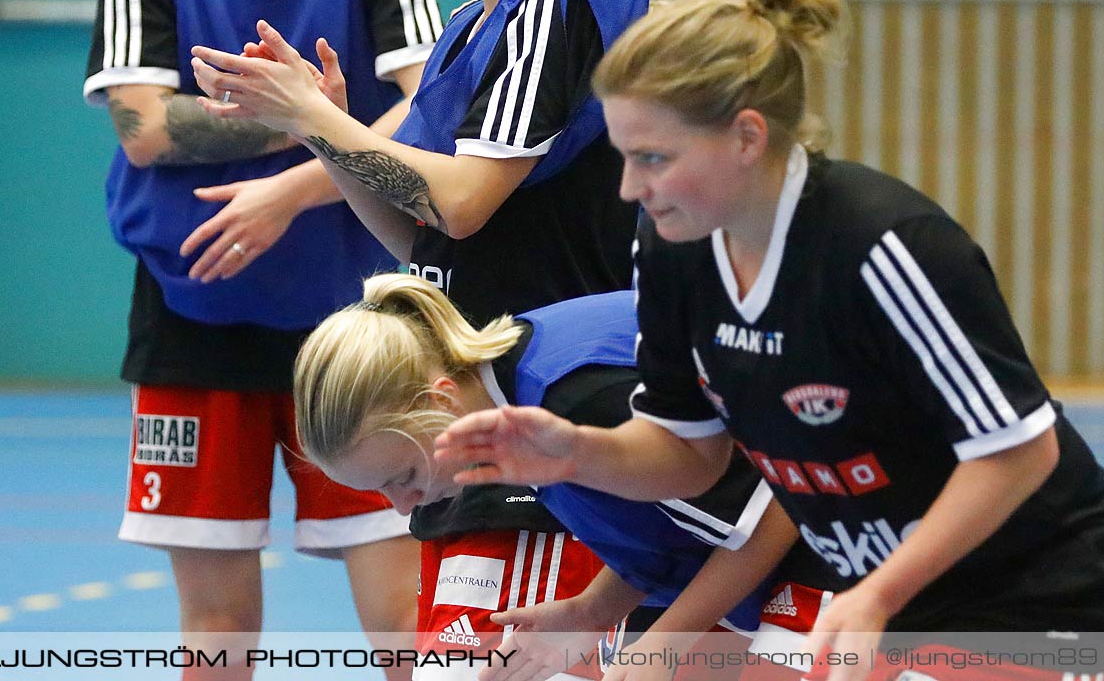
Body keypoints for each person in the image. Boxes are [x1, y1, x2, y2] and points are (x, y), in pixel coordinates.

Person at [430, 0, 1104, 681]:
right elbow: (687, 455)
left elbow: (1019, 453)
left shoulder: (884, 247)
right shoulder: (675, 248)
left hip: (1043, 602)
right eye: (624, 157)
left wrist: (879, 595)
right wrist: (576, 452)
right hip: (901, 606)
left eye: (654, 158)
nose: (630, 188)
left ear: (748, 137)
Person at [187, 0, 752, 674]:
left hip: (553, 423)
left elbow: (464, 196)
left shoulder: (555, 14)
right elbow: (423, 234)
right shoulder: (468, 27)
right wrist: (317, 132)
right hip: (473, 418)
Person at [83, 0, 437, 679]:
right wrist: (312, 116)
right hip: (196, 315)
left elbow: (428, 113)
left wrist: (293, 189)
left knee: (405, 624)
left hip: (359, 318)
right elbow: (146, 127)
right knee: (216, 631)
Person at [293, 274, 801, 681]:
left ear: (439, 401)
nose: (405, 507)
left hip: (849, 521)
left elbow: (779, 506)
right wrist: (591, 611)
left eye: (402, 476)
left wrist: (665, 644)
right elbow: (674, 525)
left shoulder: (571, 398)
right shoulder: (513, 393)